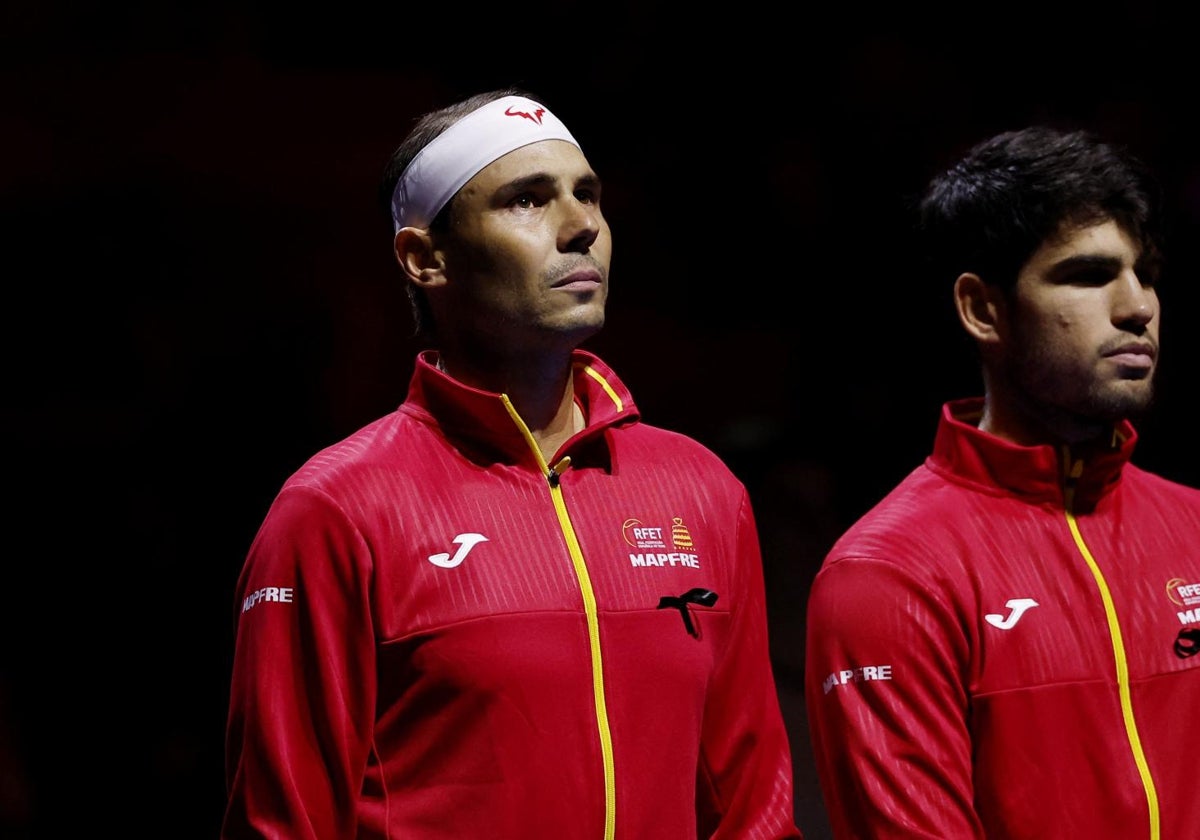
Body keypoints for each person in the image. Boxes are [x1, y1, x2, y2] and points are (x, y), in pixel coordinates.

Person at [221, 86, 803, 839]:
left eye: (587, 194)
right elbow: (282, 824)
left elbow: (753, 806)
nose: (581, 226)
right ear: (426, 258)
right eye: (528, 201)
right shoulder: (337, 510)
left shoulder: (700, 490)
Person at [804, 124, 1200, 839]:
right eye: (1088, 275)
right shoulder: (888, 577)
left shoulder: (1195, 529)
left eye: (1146, 274)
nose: (1138, 306)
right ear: (983, 309)